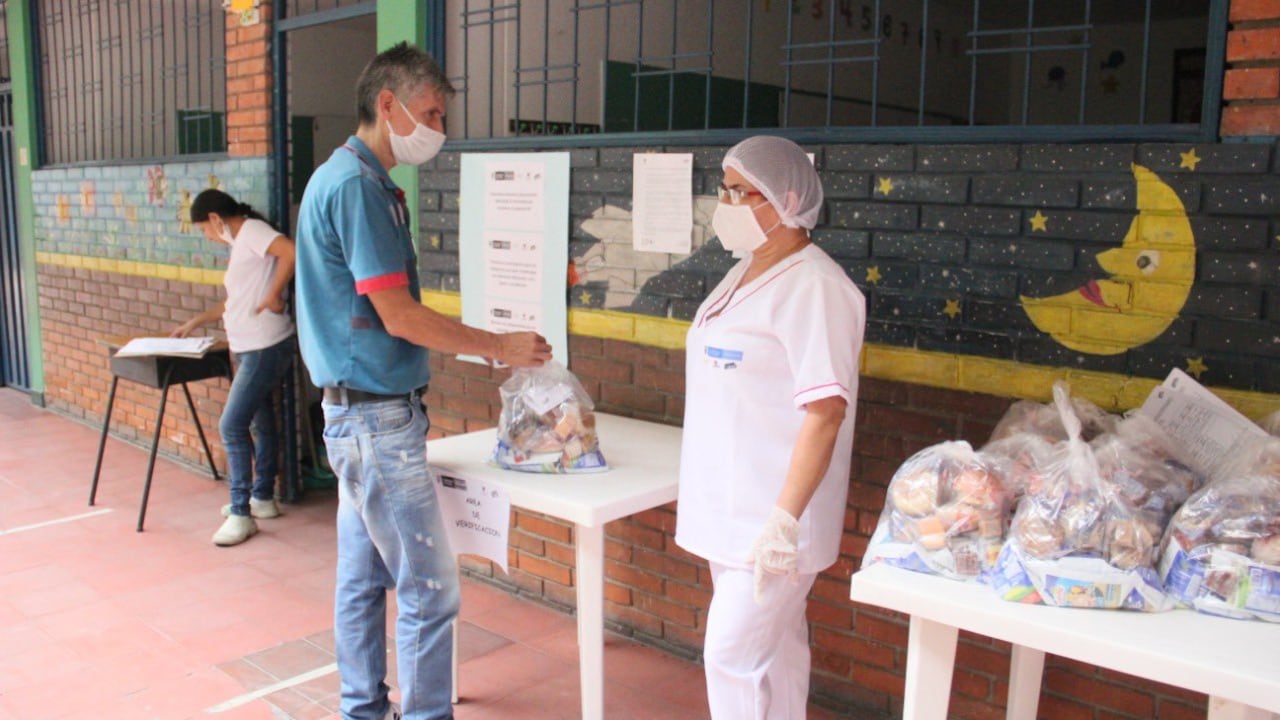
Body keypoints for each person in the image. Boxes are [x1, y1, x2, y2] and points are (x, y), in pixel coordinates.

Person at [294, 42, 551, 720]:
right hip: (376, 422)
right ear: (388, 104)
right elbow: (399, 315)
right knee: (430, 593)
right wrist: (500, 346)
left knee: (362, 580)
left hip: (357, 418)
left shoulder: (357, 181)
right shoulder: (355, 187)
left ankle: (362, 710)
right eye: (430, 112)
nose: (438, 128)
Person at [675, 136, 866, 719]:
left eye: (742, 191)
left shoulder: (816, 287)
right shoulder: (741, 274)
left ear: (786, 199)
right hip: (730, 510)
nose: (726, 202)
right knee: (779, 650)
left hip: (773, 520)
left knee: (731, 657)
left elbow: (826, 410)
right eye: (724, 189)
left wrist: (783, 522)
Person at [172, 189, 296, 547]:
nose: (208, 237)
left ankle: (242, 513)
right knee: (260, 422)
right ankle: (262, 498)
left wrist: (273, 296)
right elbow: (237, 301)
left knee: (232, 425)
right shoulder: (242, 242)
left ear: (215, 218)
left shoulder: (252, 232)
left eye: (204, 230)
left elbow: (290, 252)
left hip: (263, 347)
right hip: (248, 347)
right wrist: (198, 320)